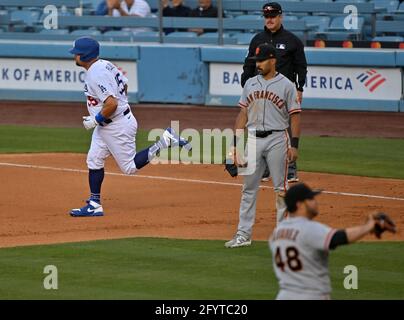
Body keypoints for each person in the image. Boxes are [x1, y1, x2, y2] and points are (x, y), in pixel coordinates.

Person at [68, 37, 191, 217]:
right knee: (94, 159)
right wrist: (100, 117)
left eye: (76, 53)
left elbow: (112, 104)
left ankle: (165, 141)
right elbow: (124, 84)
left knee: (129, 167)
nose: (74, 56)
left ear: (84, 56)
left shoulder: (96, 74)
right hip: (109, 124)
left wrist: (96, 119)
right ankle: (94, 204)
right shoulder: (104, 64)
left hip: (116, 125)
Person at [225, 43, 301, 248]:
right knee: (248, 188)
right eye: (256, 61)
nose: (258, 64)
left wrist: (294, 144)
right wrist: (234, 147)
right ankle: (243, 235)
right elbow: (243, 114)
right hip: (253, 139)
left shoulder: (286, 85)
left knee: (281, 188)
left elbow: (295, 116)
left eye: (261, 60)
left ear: (273, 60)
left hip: (278, 139)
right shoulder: (250, 83)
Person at [269, 183, 396, 300]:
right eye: (311, 199)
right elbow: (337, 238)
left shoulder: (276, 233)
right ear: (300, 204)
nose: (315, 202)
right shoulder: (308, 228)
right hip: (311, 296)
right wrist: (369, 226)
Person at [241, 2, 307, 183]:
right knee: (258, 125)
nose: (269, 19)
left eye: (273, 16)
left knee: (284, 127)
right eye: (266, 16)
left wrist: (300, 88)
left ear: (280, 17)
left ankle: (290, 167)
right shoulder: (257, 39)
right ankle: (264, 167)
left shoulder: (292, 40)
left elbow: (301, 66)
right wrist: (245, 84)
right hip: (259, 91)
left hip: (284, 91)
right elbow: (248, 64)